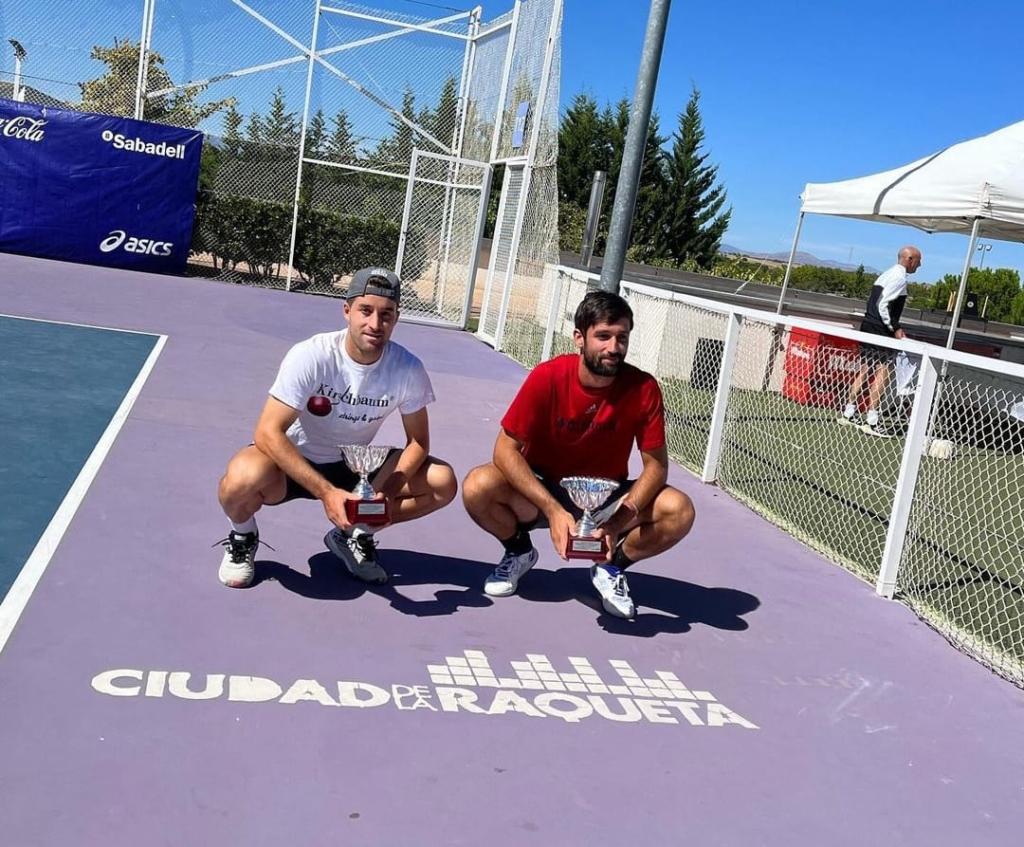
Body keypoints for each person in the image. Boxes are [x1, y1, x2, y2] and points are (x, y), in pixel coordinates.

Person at [215, 267, 457, 588]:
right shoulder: (311, 356)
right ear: (347, 311)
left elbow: (418, 443)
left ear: (396, 318)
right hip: (290, 466)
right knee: (240, 480)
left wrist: (384, 495)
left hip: (352, 468)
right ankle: (243, 536)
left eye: (386, 314)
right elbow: (266, 432)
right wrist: (326, 492)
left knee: (442, 482)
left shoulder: (407, 369)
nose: (375, 324)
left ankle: (354, 534)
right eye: (366, 311)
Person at [461, 290, 696, 620]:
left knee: (679, 510)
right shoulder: (548, 376)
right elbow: (504, 450)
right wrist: (554, 510)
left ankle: (610, 566)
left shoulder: (643, 388)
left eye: (621, 338)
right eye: (603, 336)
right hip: (542, 488)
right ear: (579, 338)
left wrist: (617, 524)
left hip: (606, 495)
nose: (614, 348)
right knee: (477, 486)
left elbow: (656, 467)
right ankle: (519, 551)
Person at [839, 245, 922, 438]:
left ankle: (849, 413)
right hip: (879, 328)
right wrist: (894, 328)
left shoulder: (885, 274)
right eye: (918, 261)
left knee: (866, 367)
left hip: (868, 324)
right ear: (909, 260)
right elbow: (882, 304)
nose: (920, 265)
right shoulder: (899, 278)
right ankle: (872, 420)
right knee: (883, 371)